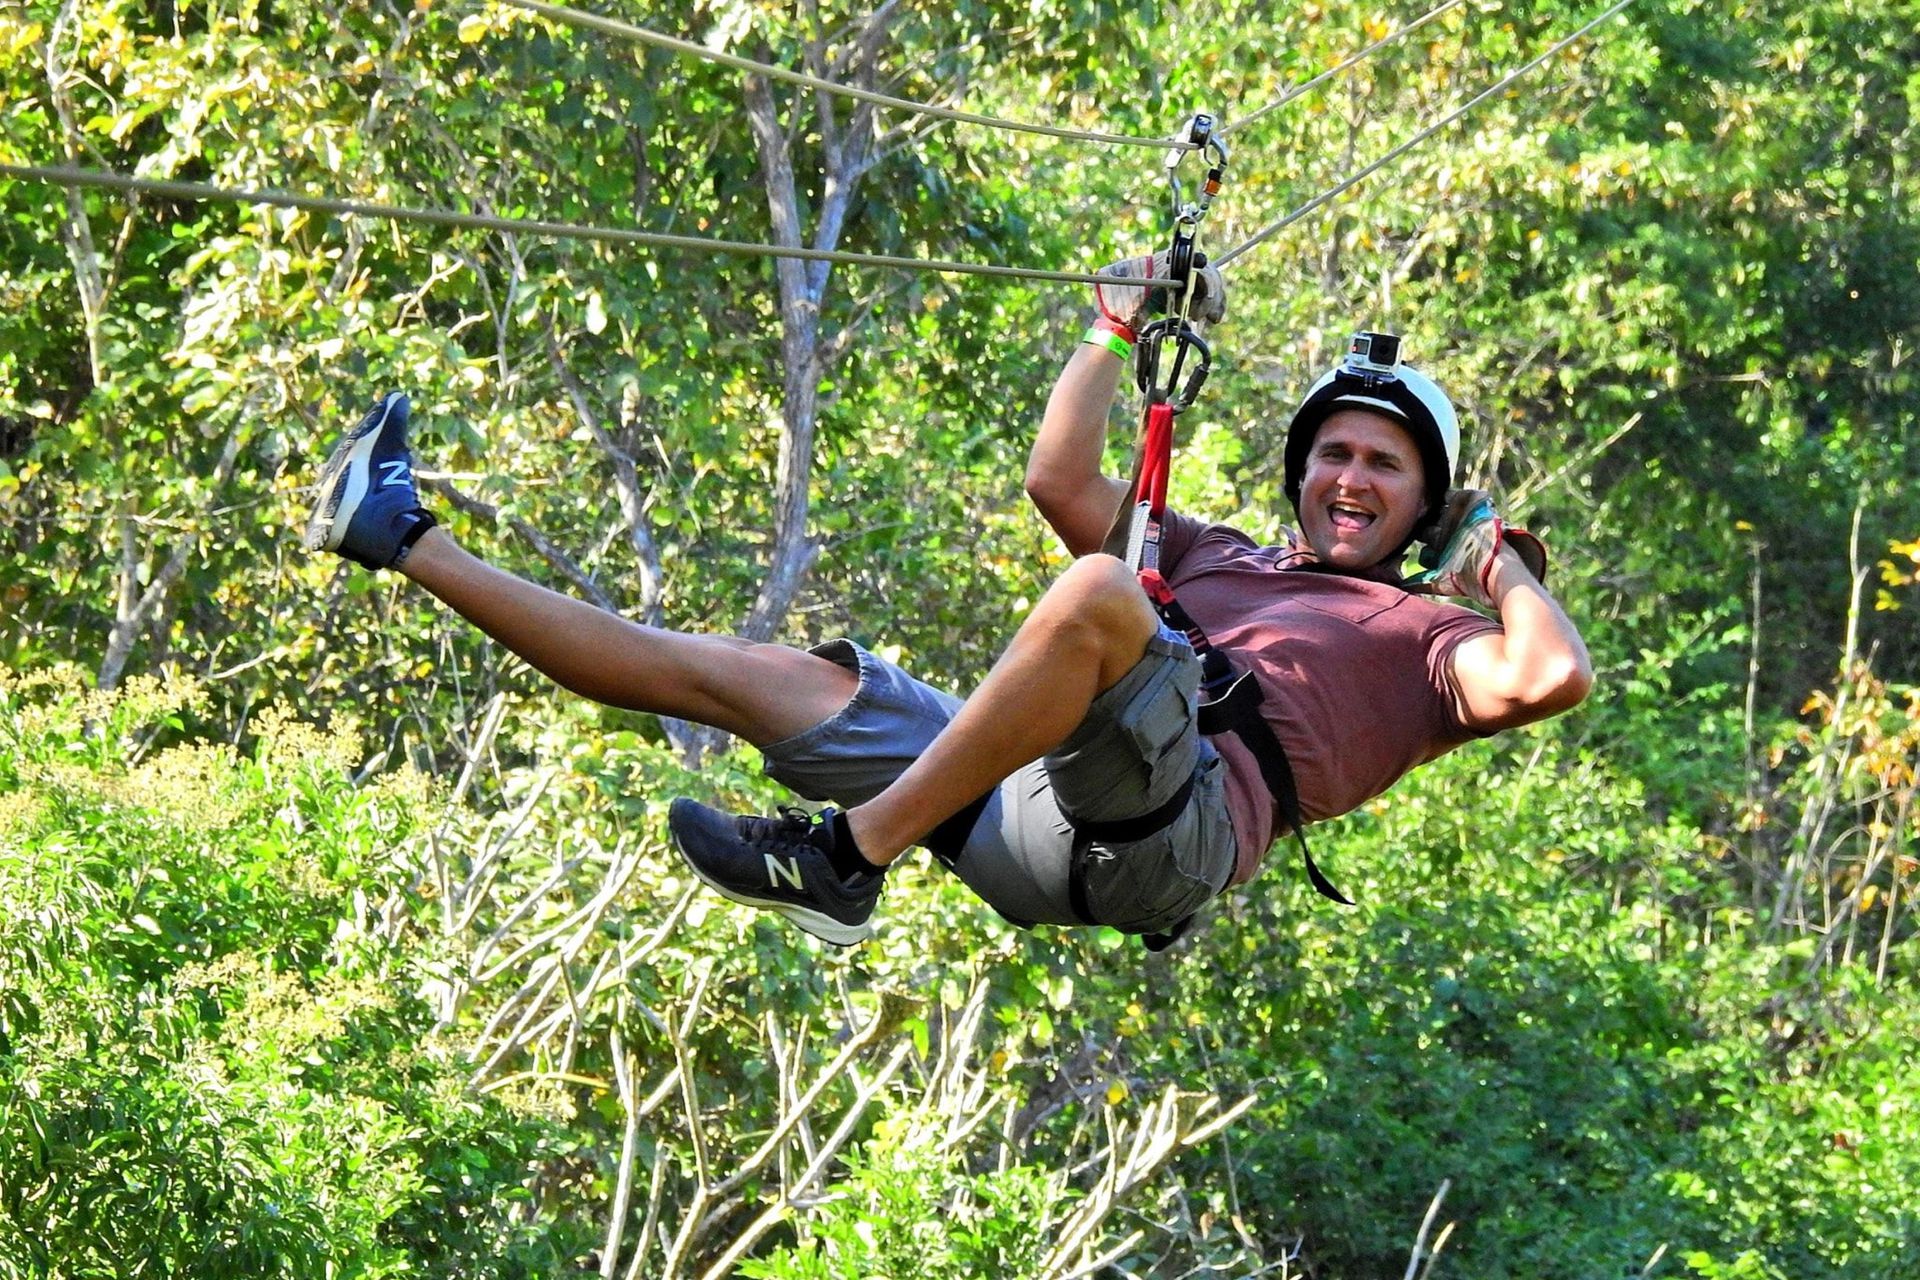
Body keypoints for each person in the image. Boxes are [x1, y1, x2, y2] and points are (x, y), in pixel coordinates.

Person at [304, 258, 1591, 949]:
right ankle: (398, 531)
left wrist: (1494, 561)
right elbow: (1058, 476)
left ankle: (843, 860)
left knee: (1097, 592)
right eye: (1335, 453)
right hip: (1037, 796)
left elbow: (1550, 678)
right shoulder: (1218, 552)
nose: (1348, 478)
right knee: (742, 673)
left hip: (1171, 829)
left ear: (1423, 503)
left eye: (1383, 465)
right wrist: (1112, 327)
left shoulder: (1434, 642)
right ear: (1301, 470)